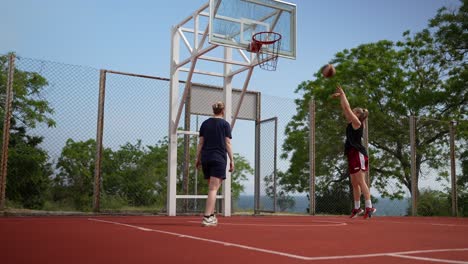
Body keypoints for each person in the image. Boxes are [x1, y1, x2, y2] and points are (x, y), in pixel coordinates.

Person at [332, 85, 376, 219]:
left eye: (353, 112)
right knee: (354, 183)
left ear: (357, 114)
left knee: (361, 181)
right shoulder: (352, 122)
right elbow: (344, 109)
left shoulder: (357, 122)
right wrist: (341, 97)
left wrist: (343, 93)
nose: (349, 113)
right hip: (351, 154)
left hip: (358, 153)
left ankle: (369, 206)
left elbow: (347, 108)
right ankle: (357, 208)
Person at [196, 101, 234, 227]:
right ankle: (207, 217)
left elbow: (201, 143)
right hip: (218, 158)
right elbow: (227, 143)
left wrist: (198, 158)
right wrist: (232, 160)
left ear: (213, 110)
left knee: (213, 188)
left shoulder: (205, 124)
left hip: (206, 158)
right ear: (223, 111)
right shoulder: (225, 124)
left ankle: (211, 216)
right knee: (213, 188)